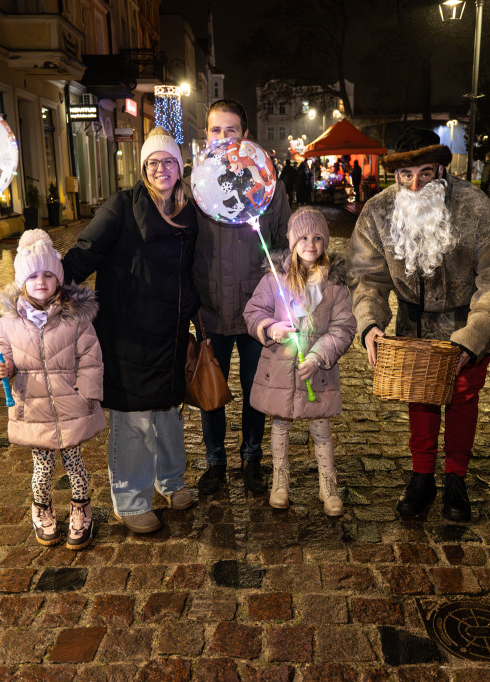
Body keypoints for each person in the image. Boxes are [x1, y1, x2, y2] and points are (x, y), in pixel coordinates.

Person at [348, 127, 490, 523]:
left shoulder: (476, 209)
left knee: (462, 399)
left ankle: (456, 476)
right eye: (405, 175)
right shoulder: (378, 211)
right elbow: (367, 277)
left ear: (441, 169)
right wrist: (371, 323)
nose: (415, 184)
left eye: (425, 173)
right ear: (394, 174)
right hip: (414, 326)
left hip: (467, 325)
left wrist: (471, 339)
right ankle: (422, 476)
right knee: (421, 399)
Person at [62, 126, 199, 534]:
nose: (161, 169)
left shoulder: (188, 211)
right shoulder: (121, 206)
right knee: (134, 417)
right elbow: (86, 252)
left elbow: (192, 271)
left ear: (179, 167)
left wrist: (199, 318)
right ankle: (130, 499)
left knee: (169, 414)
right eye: (153, 163)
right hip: (128, 333)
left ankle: (170, 480)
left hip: (170, 330)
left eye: (168, 161)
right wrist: (48, 286)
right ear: (143, 168)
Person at [0, 229, 105, 550]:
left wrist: (87, 396)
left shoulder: (75, 318)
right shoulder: (8, 323)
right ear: (22, 281)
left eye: (48, 275)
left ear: (59, 280)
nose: (41, 281)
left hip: (70, 408)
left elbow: (91, 359)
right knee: (42, 469)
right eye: (33, 275)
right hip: (34, 409)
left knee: (76, 465)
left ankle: (81, 509)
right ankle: (42, 508)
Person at [194, 99, 291, 496]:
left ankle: (253, 458)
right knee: (210, 390)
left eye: (230, 130)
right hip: (211, 308)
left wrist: (284, 294)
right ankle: (215, 460)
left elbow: (285, 244)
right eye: (216, 130)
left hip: (257, 311)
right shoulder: (195, 187)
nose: (222, 138)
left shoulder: (269, 184)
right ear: (206, 136)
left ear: (244, 136)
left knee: (257, 389)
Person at [243, 209, 357, 515]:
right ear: (292, 241)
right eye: (303, 237)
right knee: (280, 426)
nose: (310, 244)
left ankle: (327, 484)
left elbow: (343, 327)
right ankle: (280, 481)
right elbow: (254, 311)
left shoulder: (334, 285)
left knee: (321, 427)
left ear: (325, 242)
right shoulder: (274, 279)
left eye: (317, 238)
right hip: (282, 369)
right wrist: (271, 328)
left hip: (318, 372)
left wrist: (319, 357)